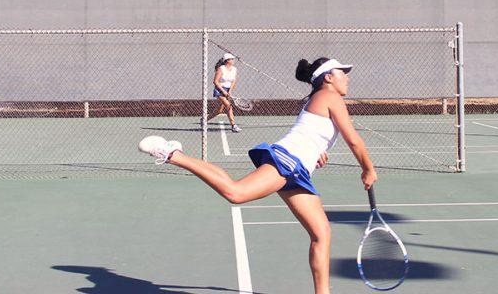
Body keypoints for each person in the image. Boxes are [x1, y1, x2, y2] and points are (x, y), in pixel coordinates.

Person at [138, 57, 377, 294]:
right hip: (288, 162)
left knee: (321, 233)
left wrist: (317, 152)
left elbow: (311, 134)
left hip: (298, 169)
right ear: (328, 77)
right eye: (342, 73)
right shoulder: (330, 96)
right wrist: (367, 168)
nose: (346, 77)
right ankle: (173, 153)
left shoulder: (320, 98)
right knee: (236, 192)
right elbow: (353, 140)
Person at [207, 52, 242, 133]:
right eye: (232, 59)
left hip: (227, 89)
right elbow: (215, 81)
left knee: (219, 111)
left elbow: (234, 81)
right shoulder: (221, 69)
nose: (233, 60)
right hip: (219, 89)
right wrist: (223, 91)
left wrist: (229, 91)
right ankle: (234, 126)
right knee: (228, 106)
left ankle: (204, 120)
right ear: (227, 60)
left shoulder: (234, 69)